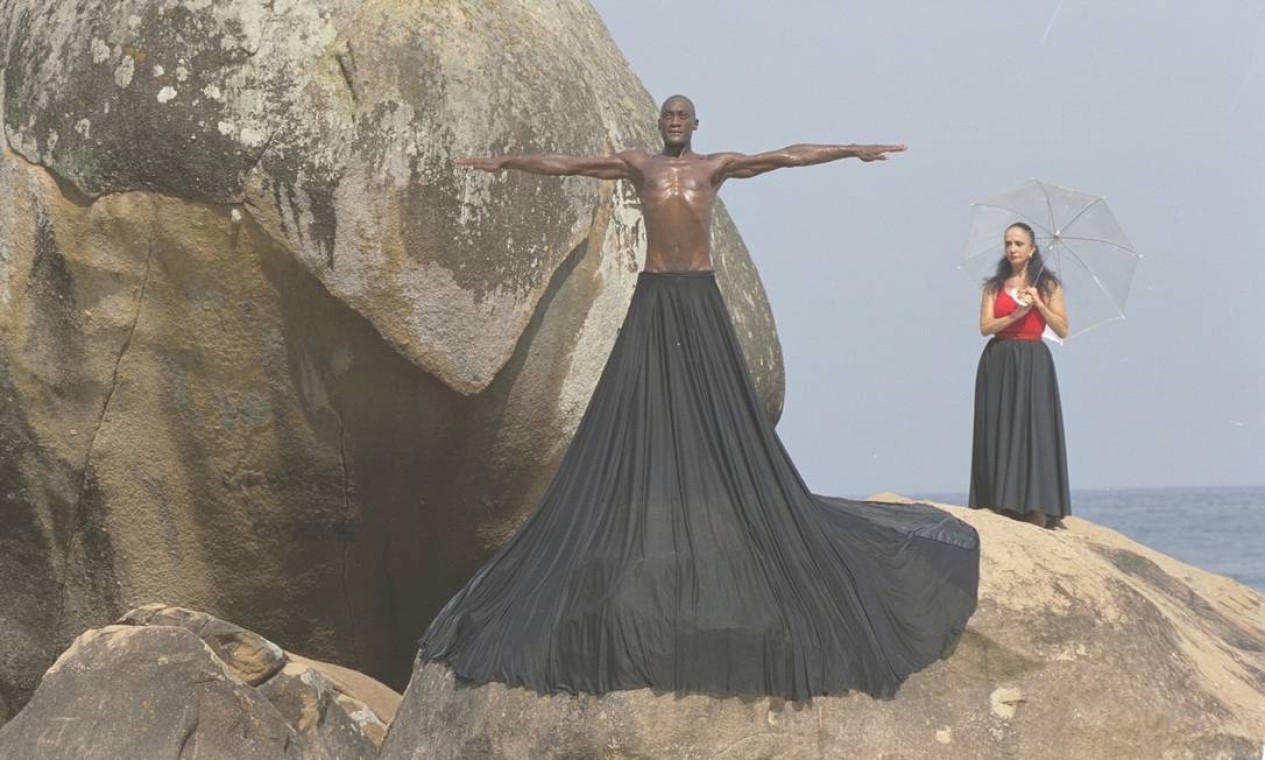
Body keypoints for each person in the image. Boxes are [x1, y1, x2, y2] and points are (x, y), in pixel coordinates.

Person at [419, 95, 979, 700]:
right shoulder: (640, 167)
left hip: (701, 295)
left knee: (719, 409)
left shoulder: (716, 167)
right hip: (655, 295)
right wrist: (506, 163)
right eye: (669, 117)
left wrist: (849, 150)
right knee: (638, 408)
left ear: (696, 125)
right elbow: (568, 164)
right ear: (661, 125)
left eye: (684, 116)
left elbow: (786, 157)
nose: (676, 123)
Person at [969, 221, 1071, 528]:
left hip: (1033, 359)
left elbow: (1063, 328)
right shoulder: (993, 286)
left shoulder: (1048, 285)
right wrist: (1015, 315)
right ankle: (1000, 501)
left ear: (1032, 249)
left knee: (1034, 428)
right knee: (1000, 425)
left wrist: (1038, 304)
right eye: (1008, 244)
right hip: (999, 358)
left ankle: (1038, 504)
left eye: (1018, 244)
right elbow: (985, 327)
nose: (1012, 249)